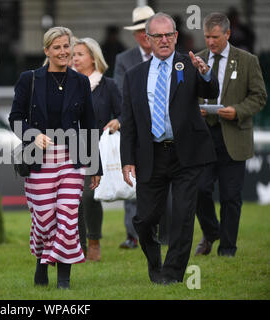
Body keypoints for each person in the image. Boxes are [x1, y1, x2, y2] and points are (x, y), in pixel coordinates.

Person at [120, 13, 219, 284]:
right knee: (144, 218)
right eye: (158, 36)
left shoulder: (189, 65)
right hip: (151, 154)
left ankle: (173, 275)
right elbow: (128, 121)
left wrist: (206, 72)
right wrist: (127, 158)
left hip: (186, 153)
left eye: (169, 35)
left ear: (176, 36)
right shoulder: (134, 76)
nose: (164, 40)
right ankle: (155, 265)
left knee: (183, 216)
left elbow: (211, 90)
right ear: (147, 39)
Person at [9, 26, 102, 289]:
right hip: (39, 159)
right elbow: (14, 120)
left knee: (67, 215)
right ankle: (41, 260)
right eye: (57, 47)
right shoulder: (30, 79)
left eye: (66, 46)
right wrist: (32, 135)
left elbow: (90, 125)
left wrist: (95, 165)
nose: (63, 52)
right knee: (44, 217)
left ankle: (64, 278)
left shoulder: (80, 82)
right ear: (47, 50)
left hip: (72, 159)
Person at [194, 13, 267, 257]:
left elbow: (259, 97)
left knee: (230, 196)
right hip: (204, 138)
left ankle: (227, 248)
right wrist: (197, 110)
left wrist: (237, 111)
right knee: (199, 190)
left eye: (215, 37)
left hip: (234, 136)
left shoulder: (247, 60)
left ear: (227, 34)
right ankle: (212, 232)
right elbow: (187, 95)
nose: (210, 42)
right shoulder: (198, 59)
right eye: (206, 36)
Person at [72, 37, 122, 261]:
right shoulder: (67, 83)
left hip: (97, 146)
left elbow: (124, 112)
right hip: (70, 145)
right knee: (74, 197)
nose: (74, 59)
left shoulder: (108, 85)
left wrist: (118, 121)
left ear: (93, 57)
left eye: (79, 54)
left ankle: (93, 241)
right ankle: (76, 245)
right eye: (73, 55)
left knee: (91, 195)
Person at [113, 5, 155, 250]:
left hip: (163, 131)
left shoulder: (171, 58)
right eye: (139, 30)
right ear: (134, 34)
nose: (143, 34)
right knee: (131, 182)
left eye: (147, 29)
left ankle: (161, 231)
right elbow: (121, 94)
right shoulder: (123, 59)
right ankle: (133, 234)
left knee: (162, 183)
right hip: (134, 129)